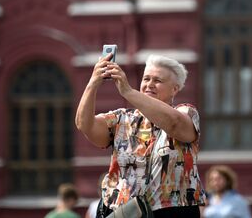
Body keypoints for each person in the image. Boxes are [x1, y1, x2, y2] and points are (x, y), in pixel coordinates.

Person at [75, 53, 207, 218]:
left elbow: (174, 124)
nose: (149, 84)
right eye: (146, 79)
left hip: (172, 210)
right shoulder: (122, 117)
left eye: (157, 81)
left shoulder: (186, 112)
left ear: (175, 89)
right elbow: (85, 125)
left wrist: (128, 92)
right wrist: (93, 83)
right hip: (125, 211)